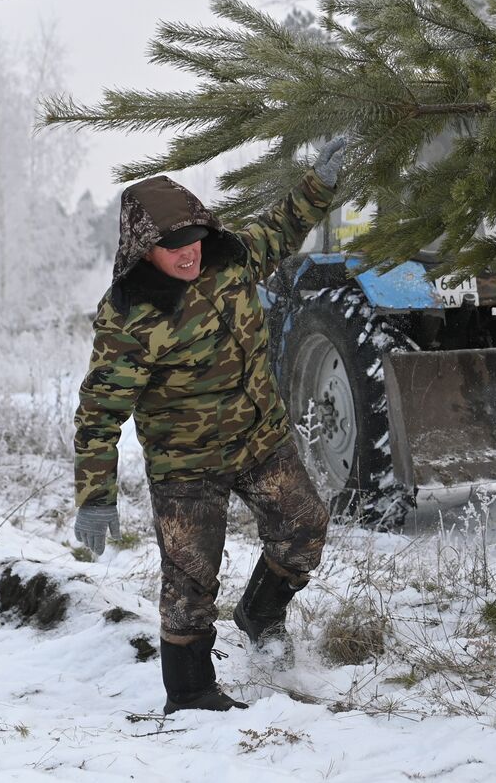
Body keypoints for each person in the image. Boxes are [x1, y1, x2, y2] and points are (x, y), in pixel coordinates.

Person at [72, 138, 346, 713]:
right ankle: (192, 694)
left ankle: (261, 613)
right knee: (191, 580)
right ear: (145, 248)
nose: (188, 251)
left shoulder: (231, 257)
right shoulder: (129, 317)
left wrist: (318, 182)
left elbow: (281, 226)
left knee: (305, 529)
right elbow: (99, 415)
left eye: (193, 237)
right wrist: (95, 497)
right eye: (172, 244)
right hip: (186, 467)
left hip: (260, 440)